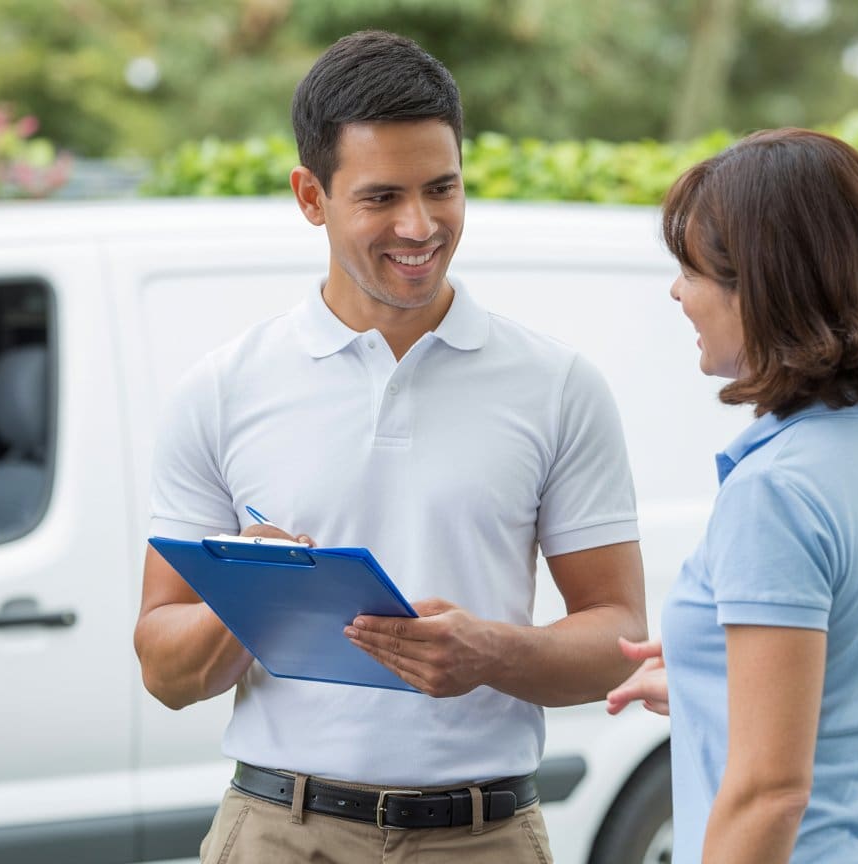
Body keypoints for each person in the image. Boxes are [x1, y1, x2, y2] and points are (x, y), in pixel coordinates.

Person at [133, 30, 647, 863]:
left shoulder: (557, 385)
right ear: (311, 197)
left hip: (484, 840)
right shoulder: (222, 389)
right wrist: (251, 596)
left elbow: (618, 640)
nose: (420, 225)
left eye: (442, 188)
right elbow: (164, 671)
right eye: (381, 197)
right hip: (279, 834)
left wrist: (492, 652)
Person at [606, 128, 858, 863]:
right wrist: (708, 672)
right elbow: (848, 680)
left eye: (692, 270)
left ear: (764, 289)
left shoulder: (777, 490)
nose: (677, 292)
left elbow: (770, 793)